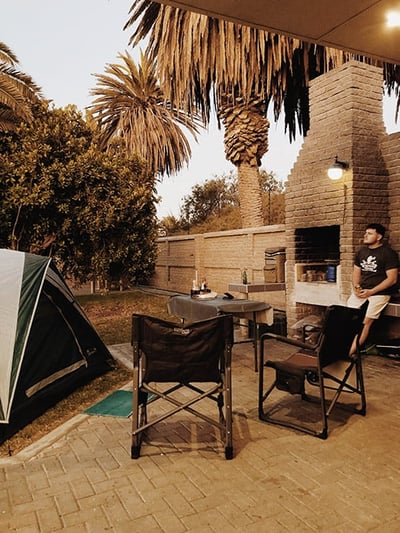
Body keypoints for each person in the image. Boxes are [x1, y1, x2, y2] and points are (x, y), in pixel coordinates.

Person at [347, 223, 399, 355]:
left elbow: (392, 279)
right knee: (347, 317)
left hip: (380, 293)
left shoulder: (389, 254)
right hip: (362, 291)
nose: (365, 235)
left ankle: (350, 353)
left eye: (369, 233)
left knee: (366, 322)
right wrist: (356, 288)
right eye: (365, 233)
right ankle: (340, 348)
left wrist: (371, 292)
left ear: (379, 236)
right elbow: (356, 273)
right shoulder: (361, 252)